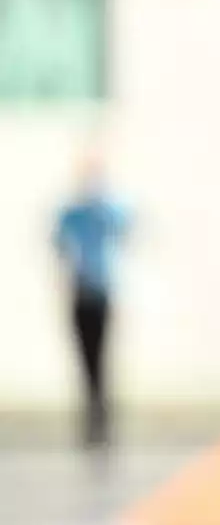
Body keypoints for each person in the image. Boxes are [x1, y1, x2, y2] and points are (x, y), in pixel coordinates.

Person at [53, 153, 129, 447]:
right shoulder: (73, 213)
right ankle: (91, 419)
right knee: (85, 359)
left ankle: (102, 421)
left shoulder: (106, 210)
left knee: (102, 359)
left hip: (101, 291)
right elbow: (60, 244)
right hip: (80, 291)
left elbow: (124, 227)